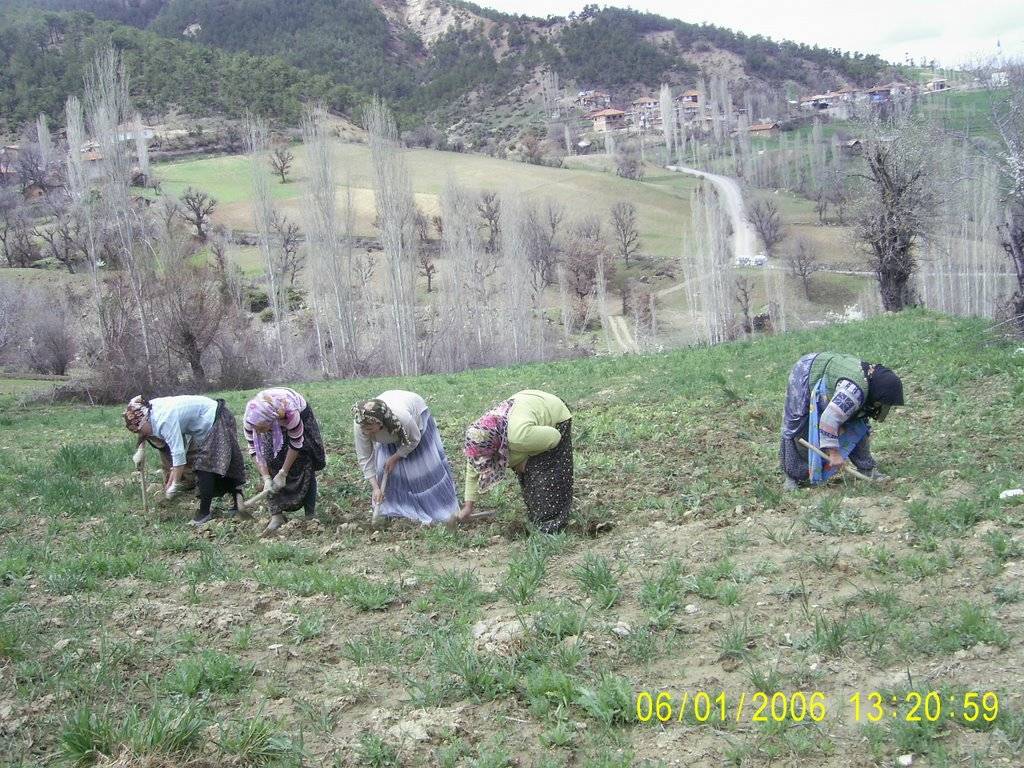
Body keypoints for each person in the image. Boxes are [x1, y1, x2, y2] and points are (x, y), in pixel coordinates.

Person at [779, 352, 905, 490]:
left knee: (858, 425)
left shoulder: (869, 381)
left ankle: (866, 468)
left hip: (831, 374)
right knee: (796, 424)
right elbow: (828, 420)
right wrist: (834, 453)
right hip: (806, 371)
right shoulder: (853, 393)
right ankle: (792, 476)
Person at [457, 389, 573, 533]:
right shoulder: (480, 440)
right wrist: (468, 506)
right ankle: (538, 517)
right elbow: (473, 469)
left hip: (553, 414)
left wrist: (522, 458)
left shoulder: (518, 437)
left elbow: (555, 437)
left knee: (542, 471)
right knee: (526, 472)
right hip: (526, 410)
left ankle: (553, 524)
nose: (483, 462)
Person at [123, 395, 247, 526]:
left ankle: (205, 513)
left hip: (216, 418)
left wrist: (175, 484)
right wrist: (141, 450)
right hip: (206, 422)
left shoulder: (163, 420)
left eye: (140, 430)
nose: (140, 434)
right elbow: (176, 448)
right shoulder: (141, 408)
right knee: (215, 463)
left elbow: (178, 454)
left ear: (145, 420)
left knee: (205, 467)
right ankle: (236, 504)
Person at [352, 390, 459, 525]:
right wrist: (375, 487)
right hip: (389, 430)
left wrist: (396, 457)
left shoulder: (403, 418)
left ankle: (435, 506)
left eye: (370, 429)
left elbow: (414, 440)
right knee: (387, 472)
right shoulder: (361, 423)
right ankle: (397, 510)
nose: (366, 432)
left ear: (380, 423)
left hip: (414, 418)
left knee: (418, 470)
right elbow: (364, 457)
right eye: (364, 429)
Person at [243, 387, 326, 536]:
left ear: (272, 420)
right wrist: (266, 477)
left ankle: (310, 515)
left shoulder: (291, 412)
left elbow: (296, 444)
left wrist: (283, 473)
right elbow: (255, 451)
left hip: (298, 414)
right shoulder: (251, 420)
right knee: (270, 460)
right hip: (273, 418)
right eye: (257, 429)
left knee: (305, 460)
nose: (260, 432)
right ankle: (277, 516)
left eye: (262, 428)